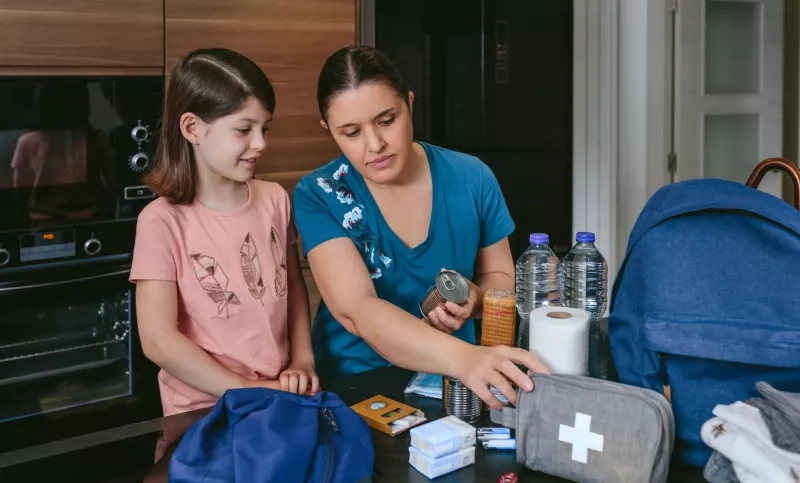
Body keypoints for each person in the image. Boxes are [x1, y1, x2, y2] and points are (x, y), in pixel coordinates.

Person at [292, 45, 548, 410]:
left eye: (386, 120)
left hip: (454, 382)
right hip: (358, 383)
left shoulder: (472, 177)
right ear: (329, 131)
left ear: (409, 104)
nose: (375, 145)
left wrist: (476, 299)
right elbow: (358, 310)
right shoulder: (320, 194)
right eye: (351, 132)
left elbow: (500, 275)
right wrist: (465, 359)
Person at [130, 48, 318, 462]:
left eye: (266, 128)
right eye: (244, 129)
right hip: (201, 416)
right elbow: (159, 341)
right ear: (193, 128)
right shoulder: (160, 222)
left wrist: (302, 359)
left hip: (276, 399)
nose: (260, 143)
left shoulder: (274, 199)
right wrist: (245, 389)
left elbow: (295, 291)